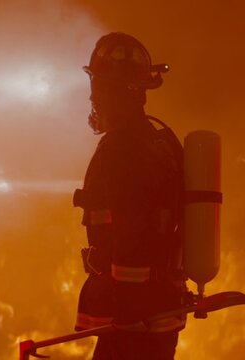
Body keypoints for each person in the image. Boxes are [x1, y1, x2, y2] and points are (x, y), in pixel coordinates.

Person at [72, 32, 187, 359]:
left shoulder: (124, 149)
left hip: (134, 319)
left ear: (106, 91)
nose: (94, 98)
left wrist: (127, 309)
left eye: (98, 87)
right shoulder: (158, 141)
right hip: (156, 310)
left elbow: (133, 230)